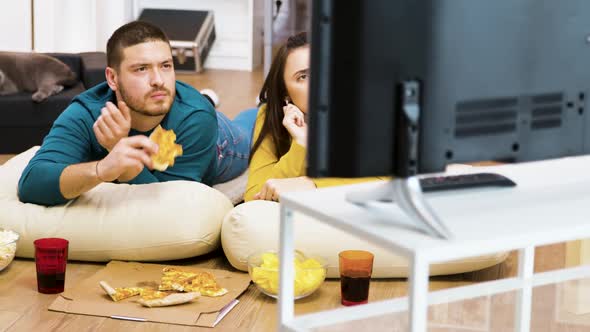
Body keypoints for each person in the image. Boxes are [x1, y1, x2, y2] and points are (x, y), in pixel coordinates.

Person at [18, 21, 256, 206]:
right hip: (185, 109)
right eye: (141, 69)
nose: (158, 81)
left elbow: (173, 205)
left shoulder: (196, 117)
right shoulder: (86, 113)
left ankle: (262, 106)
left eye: (165, 66)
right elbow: (32, 184)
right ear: (112, 78)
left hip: (221, 144)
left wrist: (124, 161)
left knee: (253, 129)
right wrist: (101, 169)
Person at [245, 32, 382, 202]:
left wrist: (312, 184)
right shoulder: (270, 115)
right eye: (304, 76)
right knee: (239, 128)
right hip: (259, 118)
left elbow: (388, 181)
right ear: (285, 92)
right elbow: (254, 196)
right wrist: (301, 144)